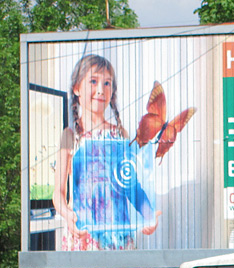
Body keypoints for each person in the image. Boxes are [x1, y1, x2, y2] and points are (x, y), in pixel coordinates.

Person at [53, 54, 160, 251]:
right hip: (84, 236)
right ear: (76, 88)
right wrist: (68, 216)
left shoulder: (120, 134)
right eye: (93, 81)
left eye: (107, 83)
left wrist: (149, 214)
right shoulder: (69, 136)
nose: (100, 90)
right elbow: (58, 192)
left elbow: (130, 185)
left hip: (117, 235)